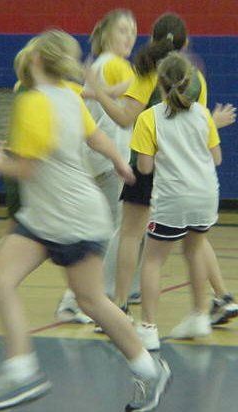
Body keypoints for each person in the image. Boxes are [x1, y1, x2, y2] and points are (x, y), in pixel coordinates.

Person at [0, 29, 170, 412]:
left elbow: (27, 168)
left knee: (83, 298)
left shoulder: (32, 102)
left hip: (67, 217)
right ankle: (144, 369)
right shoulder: (69, 95)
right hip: (56, 215)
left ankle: (25, 371)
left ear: (34, 61)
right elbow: (97, 138)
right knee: (27, 285)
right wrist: (119, 162)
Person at [85, 13, 237, 340]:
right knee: (195, 240)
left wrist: (98, 93)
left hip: (149, 160)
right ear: (185, 42)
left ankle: (121, 307)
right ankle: (219, 297)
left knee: (131, 235)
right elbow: (196, 124)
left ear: (152, 37)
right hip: (186, 171)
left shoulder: (146, 71)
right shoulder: (196, 77)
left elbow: (125, 117)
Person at [0, 38, 93, 324]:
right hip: (31, 173)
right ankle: (72, 301)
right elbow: (90, 94)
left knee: (21, 237)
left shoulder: (29, 88)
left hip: (26, 171)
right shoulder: (45, 92)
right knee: (45, 237)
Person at [131, 52, 221, 347]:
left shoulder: (149, 117)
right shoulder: (203, 114)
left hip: (173, 197)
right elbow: (216, 158)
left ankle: (148, 328)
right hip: (206, 194)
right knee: (194, 251)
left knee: (153, 260)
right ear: (189, 81)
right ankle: (199, 314)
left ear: (159, 83)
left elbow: (145, 168)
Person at [57, 9, 141, 327]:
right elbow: (132, 103)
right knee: (111, 235)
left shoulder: (105, 66)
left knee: (106, 232)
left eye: (133, 30)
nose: (130, 36)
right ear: (106, 35)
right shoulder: (114, 65)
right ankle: (79, 299)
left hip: (101, 159)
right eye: (123, 30)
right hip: (110, 160)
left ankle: (92, 296)